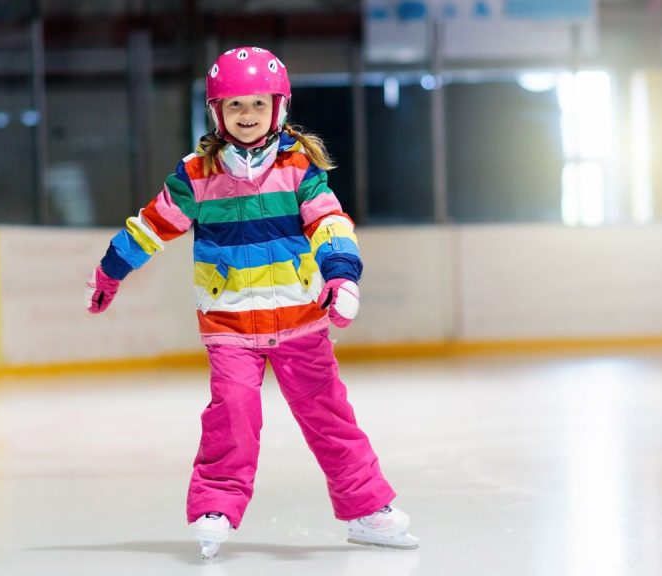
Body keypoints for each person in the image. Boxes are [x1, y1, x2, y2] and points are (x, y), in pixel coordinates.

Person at [84, 46, 418, 560]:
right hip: (230, 322)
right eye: (235, 106)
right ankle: (215, 506)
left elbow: (330, 223)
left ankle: (365, 510)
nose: (247, 116)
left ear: (278, 109)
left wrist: (342, 276)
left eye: (257, 105)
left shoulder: (298, 168)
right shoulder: (197, 174)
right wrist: (111, 270)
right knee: (233, 412)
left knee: (329, 416)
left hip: (300, 320)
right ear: (217, 113)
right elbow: (151, 226)